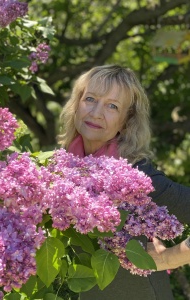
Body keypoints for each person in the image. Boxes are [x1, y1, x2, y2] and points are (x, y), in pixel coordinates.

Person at [57, 64, 190, 300]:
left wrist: (172, 257)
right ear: (76, 105)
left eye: (112, 106)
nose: (96, 112)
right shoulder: (61, 168)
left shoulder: (137, 177)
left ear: (126, 122)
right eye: (90, 99)